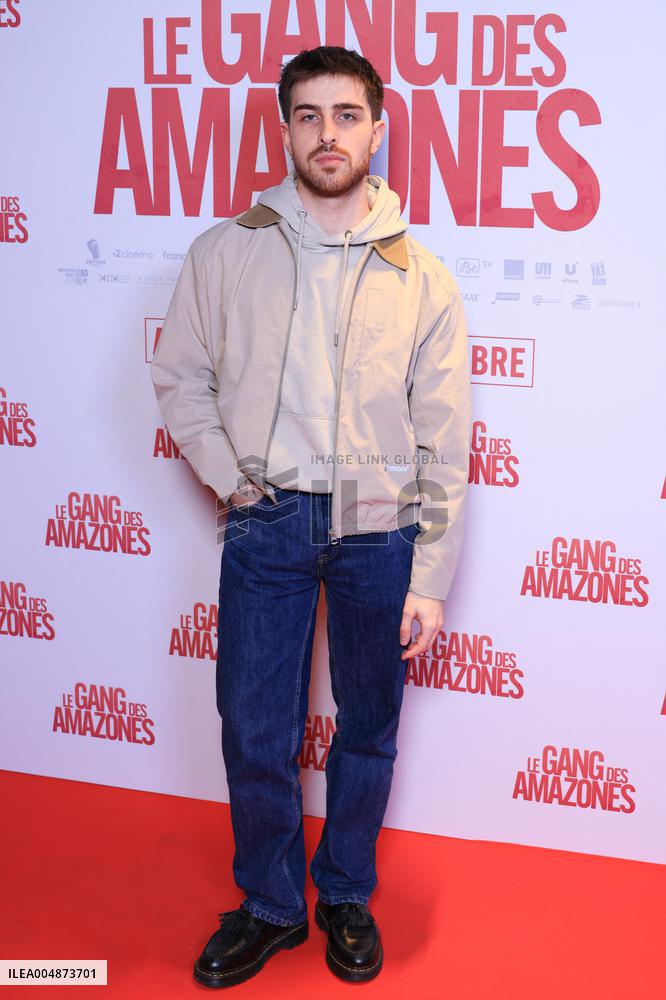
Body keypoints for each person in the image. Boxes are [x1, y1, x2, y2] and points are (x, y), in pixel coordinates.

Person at [151, 45, 471, 989]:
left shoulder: (424, 277)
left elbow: (443, 440)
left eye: (345, 115)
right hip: (268, 521)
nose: (326, 134)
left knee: (367, 727)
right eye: (307, 116)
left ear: (378, 126)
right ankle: (269, 905)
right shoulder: (226, 249)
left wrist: (430, 576)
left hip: (380, 529)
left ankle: (343, 894)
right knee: (255, 728)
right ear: (285, 128)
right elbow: (181, 379)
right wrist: (232, 479)